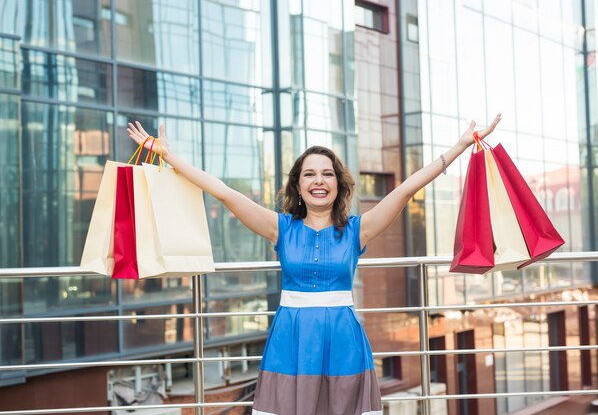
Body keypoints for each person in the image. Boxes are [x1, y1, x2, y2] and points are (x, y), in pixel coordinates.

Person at [127, 114, 501, 415]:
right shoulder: (280, 227)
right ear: (298, 185)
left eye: (326, 173)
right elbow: (224, 192)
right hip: (292, 339)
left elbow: (405, 190)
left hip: (343, 339)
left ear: (338, 183)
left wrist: (460, 145)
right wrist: (167, 155)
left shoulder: (358, 230)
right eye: (309, 173)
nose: (318, 180)